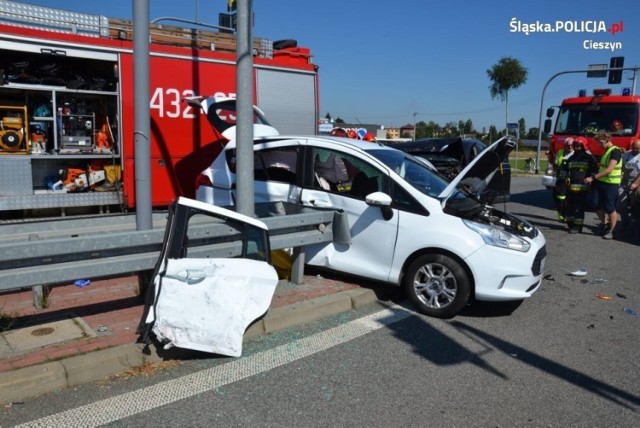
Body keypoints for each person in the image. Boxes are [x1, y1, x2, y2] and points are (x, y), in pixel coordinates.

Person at [584, 130, 623, 239]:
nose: (598, 145)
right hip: (601, 182)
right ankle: (605, 223)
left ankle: (612, 230)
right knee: (595, 204)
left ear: (606, 140)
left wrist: (593, 177)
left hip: (611, 184)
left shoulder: (615, 151)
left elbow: (610, 169)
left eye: (600, 142)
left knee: (610, 207)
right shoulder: (606, 150)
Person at [561, 137, 597, 233]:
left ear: (583, 146)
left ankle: (577, 226)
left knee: (578, 208)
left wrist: (591, 180)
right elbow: (564, 169)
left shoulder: (589, 158)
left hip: (582, 188)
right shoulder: (571, 158)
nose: (577, 148)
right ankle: (570, 223)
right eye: (575, 146)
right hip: (570, 187)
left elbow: (594, 171)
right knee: (569, 207)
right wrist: (564, 176)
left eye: (579, 146)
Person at [616, 139, 640, 235]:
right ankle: (625, 221)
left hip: (637, 183)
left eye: (638, 148)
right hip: (625, 183)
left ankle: (634, 225)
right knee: (620, 204)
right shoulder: (627, 154)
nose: (635, 150)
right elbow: (621, 167)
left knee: (635, 206)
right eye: (634, 148)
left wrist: (635, 184)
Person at [553, 138, 575, 222]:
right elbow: (555, 163)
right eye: (567, 145)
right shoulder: (560, 152)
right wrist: (557, 171)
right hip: (561, 179)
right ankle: (561, 215)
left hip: (572, 180)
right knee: (560, 198)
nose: (569, 147)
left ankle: (569, 215)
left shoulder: (576, 153)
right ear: (564, 145)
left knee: (571, 199)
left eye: (571, 145)